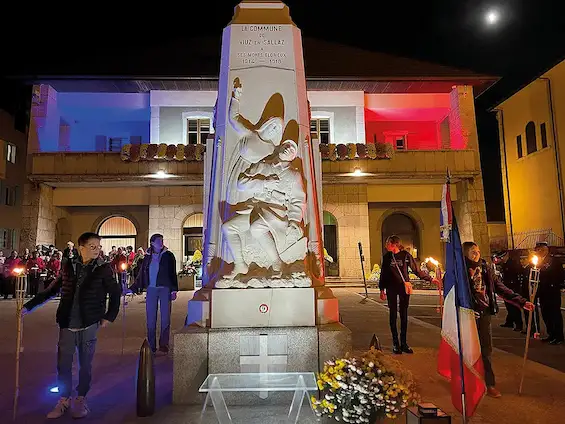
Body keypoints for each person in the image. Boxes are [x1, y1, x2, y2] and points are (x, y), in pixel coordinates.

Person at [22, 232, 121, 419]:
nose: (96, 250)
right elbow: (52, 289)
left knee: (85, 364)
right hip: (67, 322)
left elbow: (115, 293)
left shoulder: (103, 268)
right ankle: (63, 399)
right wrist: (29, 306)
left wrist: (110, 315)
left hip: (89, 322)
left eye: (98, 246)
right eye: (92, 246)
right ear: (81, 248)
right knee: (63, 364)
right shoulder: (68, 265)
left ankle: (81, 398)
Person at [462, 241, 534, 398]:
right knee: (467, 351)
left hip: (484, 313)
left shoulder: (485, 268)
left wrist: (521, 301)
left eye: (478, 251)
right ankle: (467, 383)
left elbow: (499, 287)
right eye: (473, 251)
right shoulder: (460, 270)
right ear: (465, 254)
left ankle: (490, 384)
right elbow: (454, 293)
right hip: (467, 315)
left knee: (486, 350)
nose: (477, 254)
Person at [379, 235, 437, 354]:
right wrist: (381, 290)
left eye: (388, 243)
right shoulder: (387, 257)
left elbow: (416, 270)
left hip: (403, 288)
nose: (386, 245)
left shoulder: (405, 255)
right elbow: (383, 274)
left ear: (394, 244)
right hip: (391, 288)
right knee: (393, 314)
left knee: (404, 315)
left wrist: (430, 279)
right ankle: (396, 343)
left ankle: (404, 343)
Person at [137, 234, 178, 355]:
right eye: (158, 241)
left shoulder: (169, 256)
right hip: (151, 289)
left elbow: (173, 273)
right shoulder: (147, 257)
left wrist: (174, 289)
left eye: (162, 241)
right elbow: (142, 273)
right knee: (151, 318)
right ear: (152, 243)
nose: (161, 243)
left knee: (165, 317)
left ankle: (164, 344)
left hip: (165, 288)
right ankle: (151, 345)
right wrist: (134, 287)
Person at [531, 242, 564, 345]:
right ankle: (551, 334)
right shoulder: (538, 261)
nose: (537, 252)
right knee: (546, 314)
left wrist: (557, 285)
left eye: (539, 250)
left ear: (545, 250)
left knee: (554, 314)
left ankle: (558, 336)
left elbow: (560, 274)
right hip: (543, 292)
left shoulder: (553, 260)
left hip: (552, 291)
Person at [500, 250, 524, 332]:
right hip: (506, 287)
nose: (501, 259)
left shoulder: (513, 264)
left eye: (502, 257)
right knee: (509, 307)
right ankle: (509, 322)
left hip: (513, 288)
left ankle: (519, 324)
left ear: (506, 255)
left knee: (514, 307)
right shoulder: (505, 264)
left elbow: (517, 275)